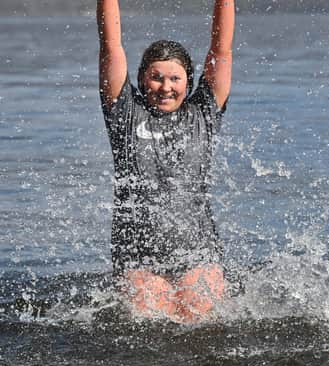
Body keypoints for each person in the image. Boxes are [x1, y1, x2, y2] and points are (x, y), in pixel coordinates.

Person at [97, 0, 234, 322]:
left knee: (200, 327)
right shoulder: (125, 112)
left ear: (189, 80)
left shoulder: (205, 112)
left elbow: (222, 50)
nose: (166, 87)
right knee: (150, 328)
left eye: (175, 79)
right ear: (142, 79)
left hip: (198, 248)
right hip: (137, 253)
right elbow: (110, 47)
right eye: (156, 78)